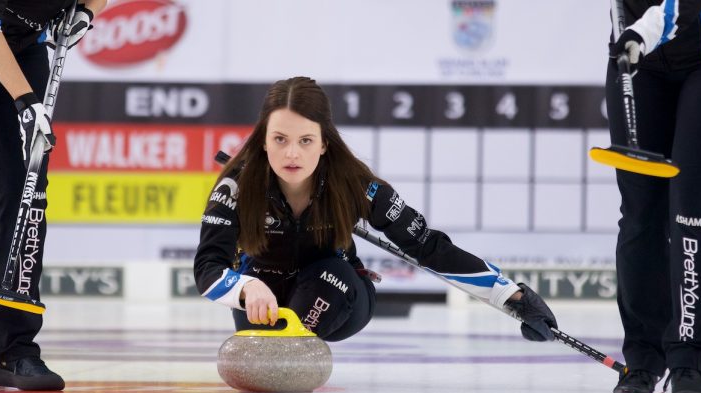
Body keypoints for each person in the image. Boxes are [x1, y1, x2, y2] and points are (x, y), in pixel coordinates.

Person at [194, 76, 557, 346]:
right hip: (263, 288)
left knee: (321, 286)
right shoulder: (236, 185)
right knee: (267, 334)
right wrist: (246, 287)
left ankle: (294, 344)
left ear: (323, 144)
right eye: (280, 139)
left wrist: (511, 295)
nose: (292, 154)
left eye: (305, 140)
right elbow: (207, 268)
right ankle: (281, 339)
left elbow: (426, 246)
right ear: (263, 139)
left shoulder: (354, 183)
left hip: (337, 288)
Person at [0, 0, 107, 391]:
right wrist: (26, 103)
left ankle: (15, 350)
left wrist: (87, 14)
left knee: (29, 183)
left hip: (18, 43)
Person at [607, 1, 701, 393]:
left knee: (692, 211)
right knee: (640, 215)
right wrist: (630, 37)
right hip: (638, 61)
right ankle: (641, 360)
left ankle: (688, 362)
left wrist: (641, 32)